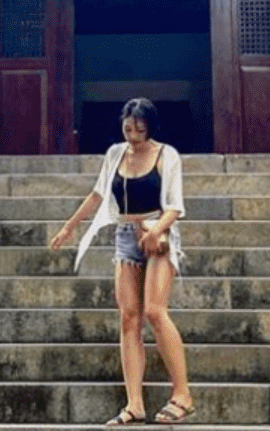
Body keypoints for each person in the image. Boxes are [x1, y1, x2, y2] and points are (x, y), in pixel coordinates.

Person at [48, 98, 196, 425]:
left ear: (151, 128)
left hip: (157, 233)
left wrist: (156, 230)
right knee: (129, 317)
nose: (133, 135)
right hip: (125, 235)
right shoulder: (116, 153)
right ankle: (134, 404)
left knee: (155, 311)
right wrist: (69, 228)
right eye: (128, 128)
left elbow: (175, 205)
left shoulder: (165, 154)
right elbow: (98, 194)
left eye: (140, 130)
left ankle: (182, 394)